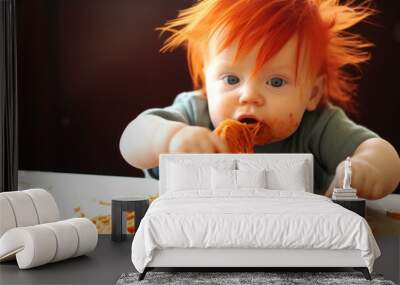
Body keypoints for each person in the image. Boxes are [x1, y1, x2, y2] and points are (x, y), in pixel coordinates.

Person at [119, 0, 400, 199]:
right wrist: (169, 139)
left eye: (276, 82)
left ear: (312, 94)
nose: (249, 95)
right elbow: (131, 139)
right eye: (231, 80)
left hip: (295, 249)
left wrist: (367, 169)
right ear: (206, 81)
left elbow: (381, 152)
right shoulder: (195, 115)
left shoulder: (318, 126)